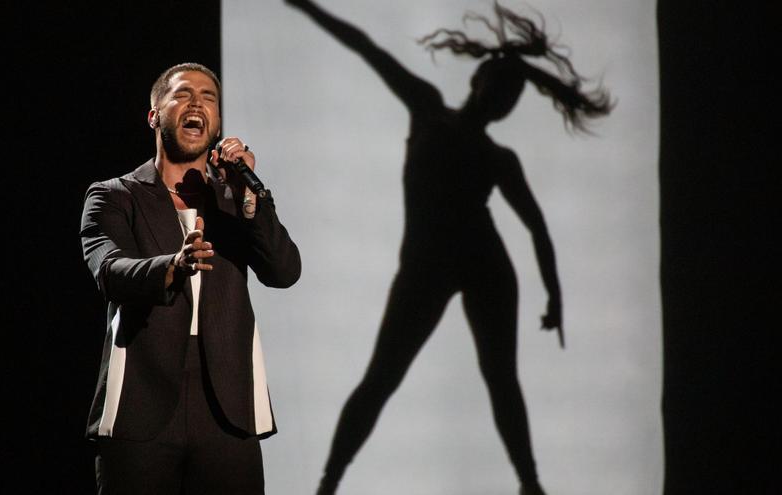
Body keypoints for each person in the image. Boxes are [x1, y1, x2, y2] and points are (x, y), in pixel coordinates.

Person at [285, 1, 612, 494]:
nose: (506, 101)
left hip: (484, 266)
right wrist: (307, 7)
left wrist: (555, 295)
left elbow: (538, 227)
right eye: (503, 89)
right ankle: (329, 483)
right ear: (479, 81)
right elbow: (366, 48)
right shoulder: (428, 107)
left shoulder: (499, 157)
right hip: (425, 269)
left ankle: (530, 485)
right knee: (381, 378)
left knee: (501, 379)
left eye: (513, 97)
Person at [80, 62, 301, 495]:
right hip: (141, 403)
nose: (197, 102)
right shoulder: (113, 195)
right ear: (154, 115)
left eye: (209, 97)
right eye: (182, 94)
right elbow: (110, 270)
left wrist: (251, 201)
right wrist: (172, 267)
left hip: (227, 407)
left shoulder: (233, 200)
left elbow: (284, 271)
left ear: (216, 125)